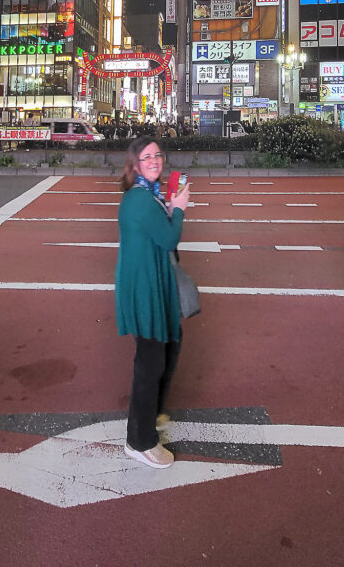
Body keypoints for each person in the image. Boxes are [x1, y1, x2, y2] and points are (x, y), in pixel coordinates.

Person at [115, 136, 191, 469]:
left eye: (157, 155)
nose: (154, 161)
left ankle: (153, 413)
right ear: (134, 165)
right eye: (146, 157)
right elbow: (170, 237)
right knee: (150, 363)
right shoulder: (139, 199)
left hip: (152, 281)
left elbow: (160, 233)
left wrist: (170, 206)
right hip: (144, 287)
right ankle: (140, 440)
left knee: (170, 343)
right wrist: (180, 209)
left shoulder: (149, 195)